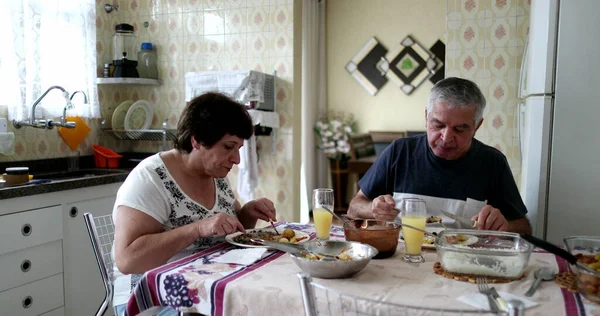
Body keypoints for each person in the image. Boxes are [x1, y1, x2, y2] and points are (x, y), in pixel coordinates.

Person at [111, 92, 277, 314]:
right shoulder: (151, 178)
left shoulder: (216, 175)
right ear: (196, 140)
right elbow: (127, 260)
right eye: (229, 147)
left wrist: (248, 212)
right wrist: (197, 229)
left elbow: (233, 229)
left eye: (238, 148)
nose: (237, 159)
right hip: (154, 298)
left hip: (208, 286)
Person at [348, 77, 531, 235]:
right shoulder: (400, 151)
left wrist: (504, 226)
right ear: (426, 116)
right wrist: (374, 210)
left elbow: (524, 227)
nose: (446, 138)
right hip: (404, 258)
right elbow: (354, 207)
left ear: (477, 126)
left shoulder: (492, 162)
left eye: (460, 129)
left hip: (463, 262)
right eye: (438, 125)